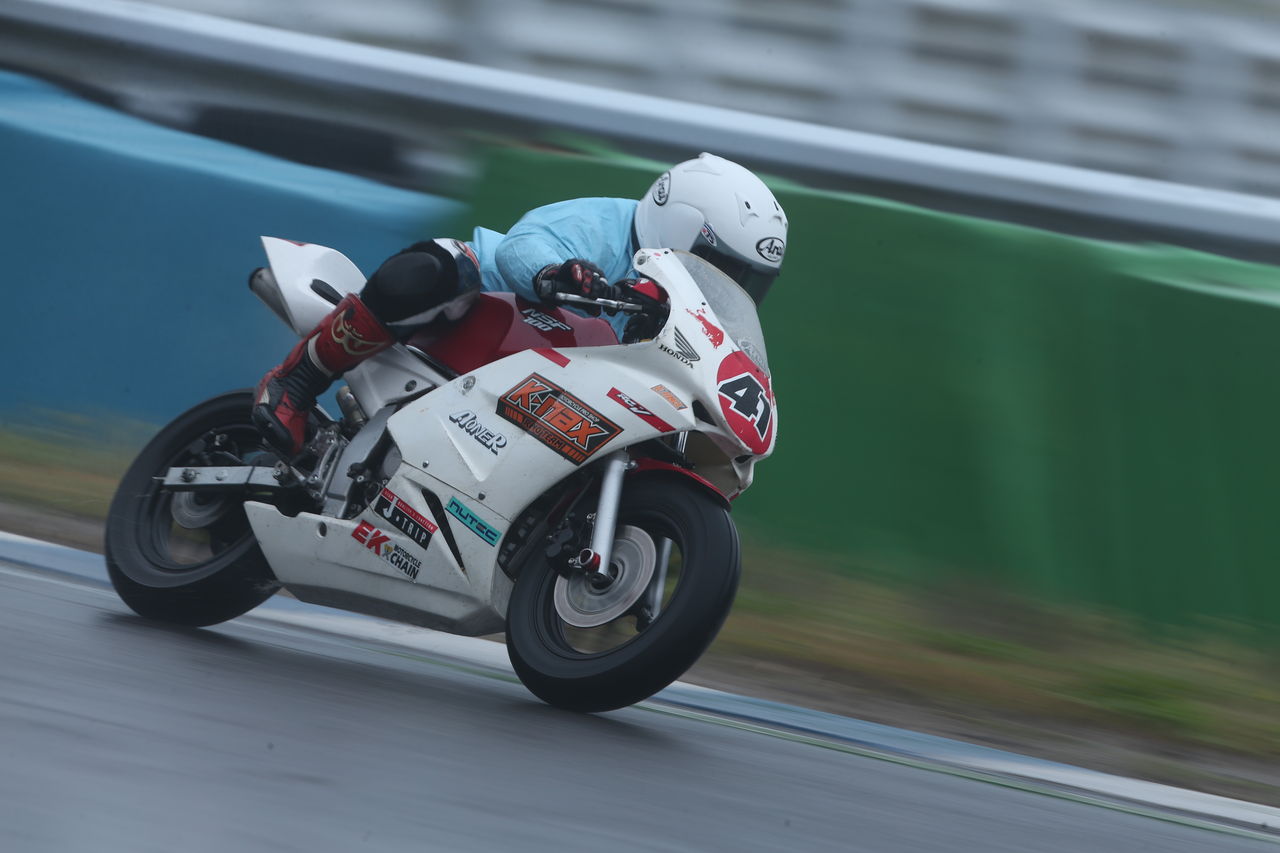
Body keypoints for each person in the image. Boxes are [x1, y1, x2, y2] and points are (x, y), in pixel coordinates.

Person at [252, 152, 789, 456]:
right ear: (682, 225)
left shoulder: (689, 311)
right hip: (485, 315)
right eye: (720, 267)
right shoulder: (604, 223)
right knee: (437, 269)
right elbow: (521, 246)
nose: (723, 284)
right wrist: (556, 272)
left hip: (556, 394)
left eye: (743, 281)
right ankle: (296, 383)